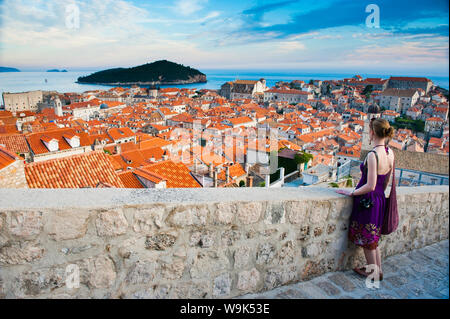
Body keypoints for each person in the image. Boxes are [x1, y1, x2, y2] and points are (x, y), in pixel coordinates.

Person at [336, 118, 395, 281]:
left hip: (368, 200)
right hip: (380, 199)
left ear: (372, 132)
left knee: (368, 238)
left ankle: (373, 273)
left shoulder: (372, 155)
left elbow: (370, 184)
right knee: (374, 237)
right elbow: (386, 182)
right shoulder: (390, 153)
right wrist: (378, 197)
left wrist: (352, 193)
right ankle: (378, 269)